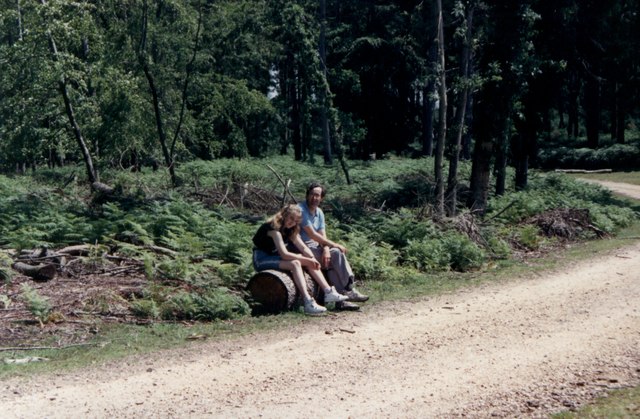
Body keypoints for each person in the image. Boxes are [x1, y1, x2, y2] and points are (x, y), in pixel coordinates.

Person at [252, 204, 348, 315]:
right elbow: (284, 254)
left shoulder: (291, 229)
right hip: (261, 259)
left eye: (296, 221)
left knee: (308, 260)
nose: (292, 222)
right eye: (291, 218)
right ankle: (307, 301)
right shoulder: (273, 228)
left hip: (274, 256)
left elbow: (302, 247)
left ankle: (328, 292)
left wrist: (312, 258)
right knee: (296, 263)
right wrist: (307, 260)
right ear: (284, 215)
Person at [298, 182, 369, 311]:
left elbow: (321, 235)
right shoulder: (301, 210)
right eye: (312, 195)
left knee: (332, 255)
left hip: (317, 247)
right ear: (307, 195)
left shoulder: (319, 212)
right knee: (336, 252)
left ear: (322, 198)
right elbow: (312, 234)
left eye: (318, 195)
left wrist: (326, 248)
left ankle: (342, 300)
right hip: (303, 248)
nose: (315, 198)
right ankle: (348, 290)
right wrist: (333, 245)